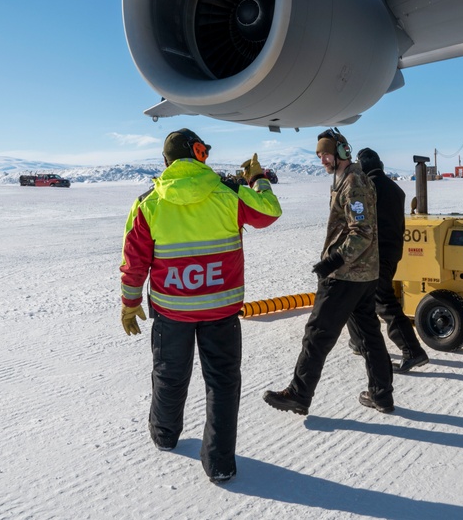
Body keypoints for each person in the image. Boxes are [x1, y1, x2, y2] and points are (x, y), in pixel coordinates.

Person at [119, 128, 281, 484]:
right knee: (222, 384)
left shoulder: (150, 203)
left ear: (166, 162)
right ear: (200, 155)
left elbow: (134, 261)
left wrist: (130, 302)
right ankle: (220, 463)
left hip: (171, 312)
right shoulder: (228, 193)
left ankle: (164, 435)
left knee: (169, 375)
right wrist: (257, 180)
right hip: (221, 312)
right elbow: (269, 212)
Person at [263, 128, 395, 415]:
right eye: (320, 155)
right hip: (363, 274)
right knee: (369, 336)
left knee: (317, 333)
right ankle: (382, 395)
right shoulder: (347, 180)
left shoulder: (354, 184)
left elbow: (362, 233)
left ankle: (299, 394)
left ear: (342, 153)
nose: (322, 159)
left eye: (326, 154)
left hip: (346, 275)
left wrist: (333, 261)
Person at [351, 147, 429, 373]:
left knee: (383, 301)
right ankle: (358, 341)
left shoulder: (366, 189)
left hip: (373, 255)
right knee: (354, 298)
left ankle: (412, 351)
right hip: (392, 252)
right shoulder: (395, 189)